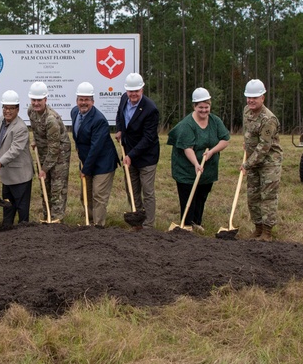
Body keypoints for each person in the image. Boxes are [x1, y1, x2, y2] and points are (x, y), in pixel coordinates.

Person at [166, 87, 230, 233]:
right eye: (200, 107)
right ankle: (186, 224)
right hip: (186, 167)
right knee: (188, 194)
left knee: (202, 194)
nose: (204, 110)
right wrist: (196, 163)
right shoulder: (186, 125)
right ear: (194, 106)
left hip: (208, 166)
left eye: (206, 107)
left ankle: (197, 222)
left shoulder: (215, 121)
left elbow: (225, 140)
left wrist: (212, 151)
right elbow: (187, 147)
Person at [114, 72, 160, 228]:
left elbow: (148, 138)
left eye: (136, 91)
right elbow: (119, 116)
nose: (133, 94)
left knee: (147, 191)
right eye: (130, 91)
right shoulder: (123, 99)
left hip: (146, 156)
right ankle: (137, 221)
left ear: (142, 89)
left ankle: (148, 226)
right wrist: (120, 130)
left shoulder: (150, 109)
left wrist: (131, 155)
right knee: (132, 190)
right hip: (129, 151)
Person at [70, 81, 118, 227]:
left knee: (98, 195)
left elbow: (96, 148)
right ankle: (89, 222)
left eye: (87, 100)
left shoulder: (99, 120)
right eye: (81, 99)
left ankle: (98, 227)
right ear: (77, 100)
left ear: (93, 101)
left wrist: (85, 169)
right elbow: (78, 138)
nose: (83, 103)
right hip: (87, 159)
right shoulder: (74, 112)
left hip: (103, 162)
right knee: (85, 195)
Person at [241, 79, 283, 240]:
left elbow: (264, 147)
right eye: (248, 97)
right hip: (252, 159)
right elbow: (248, 131)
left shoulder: (268, 119)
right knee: (253, 196)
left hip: (269, 163)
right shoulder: (247, 111)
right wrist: (246, 143)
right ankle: (257, 228)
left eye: (255, 97)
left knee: (267, 196)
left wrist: (247, 164)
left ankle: (267, 232)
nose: (251, 100)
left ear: (262, 98)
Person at [27, 81, 71, 221]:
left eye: (39, 100)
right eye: (34, 100)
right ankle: (47, 219)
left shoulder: (51, 119)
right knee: (44, 186)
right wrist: (36, 140)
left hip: (59, 153)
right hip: (44, 151)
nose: (36, 103)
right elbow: (36, 130)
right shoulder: (31, 111)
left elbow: (54, 148)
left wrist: (44, 169)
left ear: (45, 99)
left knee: (56, 188)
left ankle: (57, 221)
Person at [0, 90, 33, 227]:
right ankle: (6, 232)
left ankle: (24, 235)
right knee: (8, 207)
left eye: (11, 108)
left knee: (22, 209)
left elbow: (15, 150)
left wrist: (0, 162)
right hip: (7, 175)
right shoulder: (2, 120)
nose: (7, 111)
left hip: (20, 176)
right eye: (5, 108)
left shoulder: (21, 128)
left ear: (17, 109)